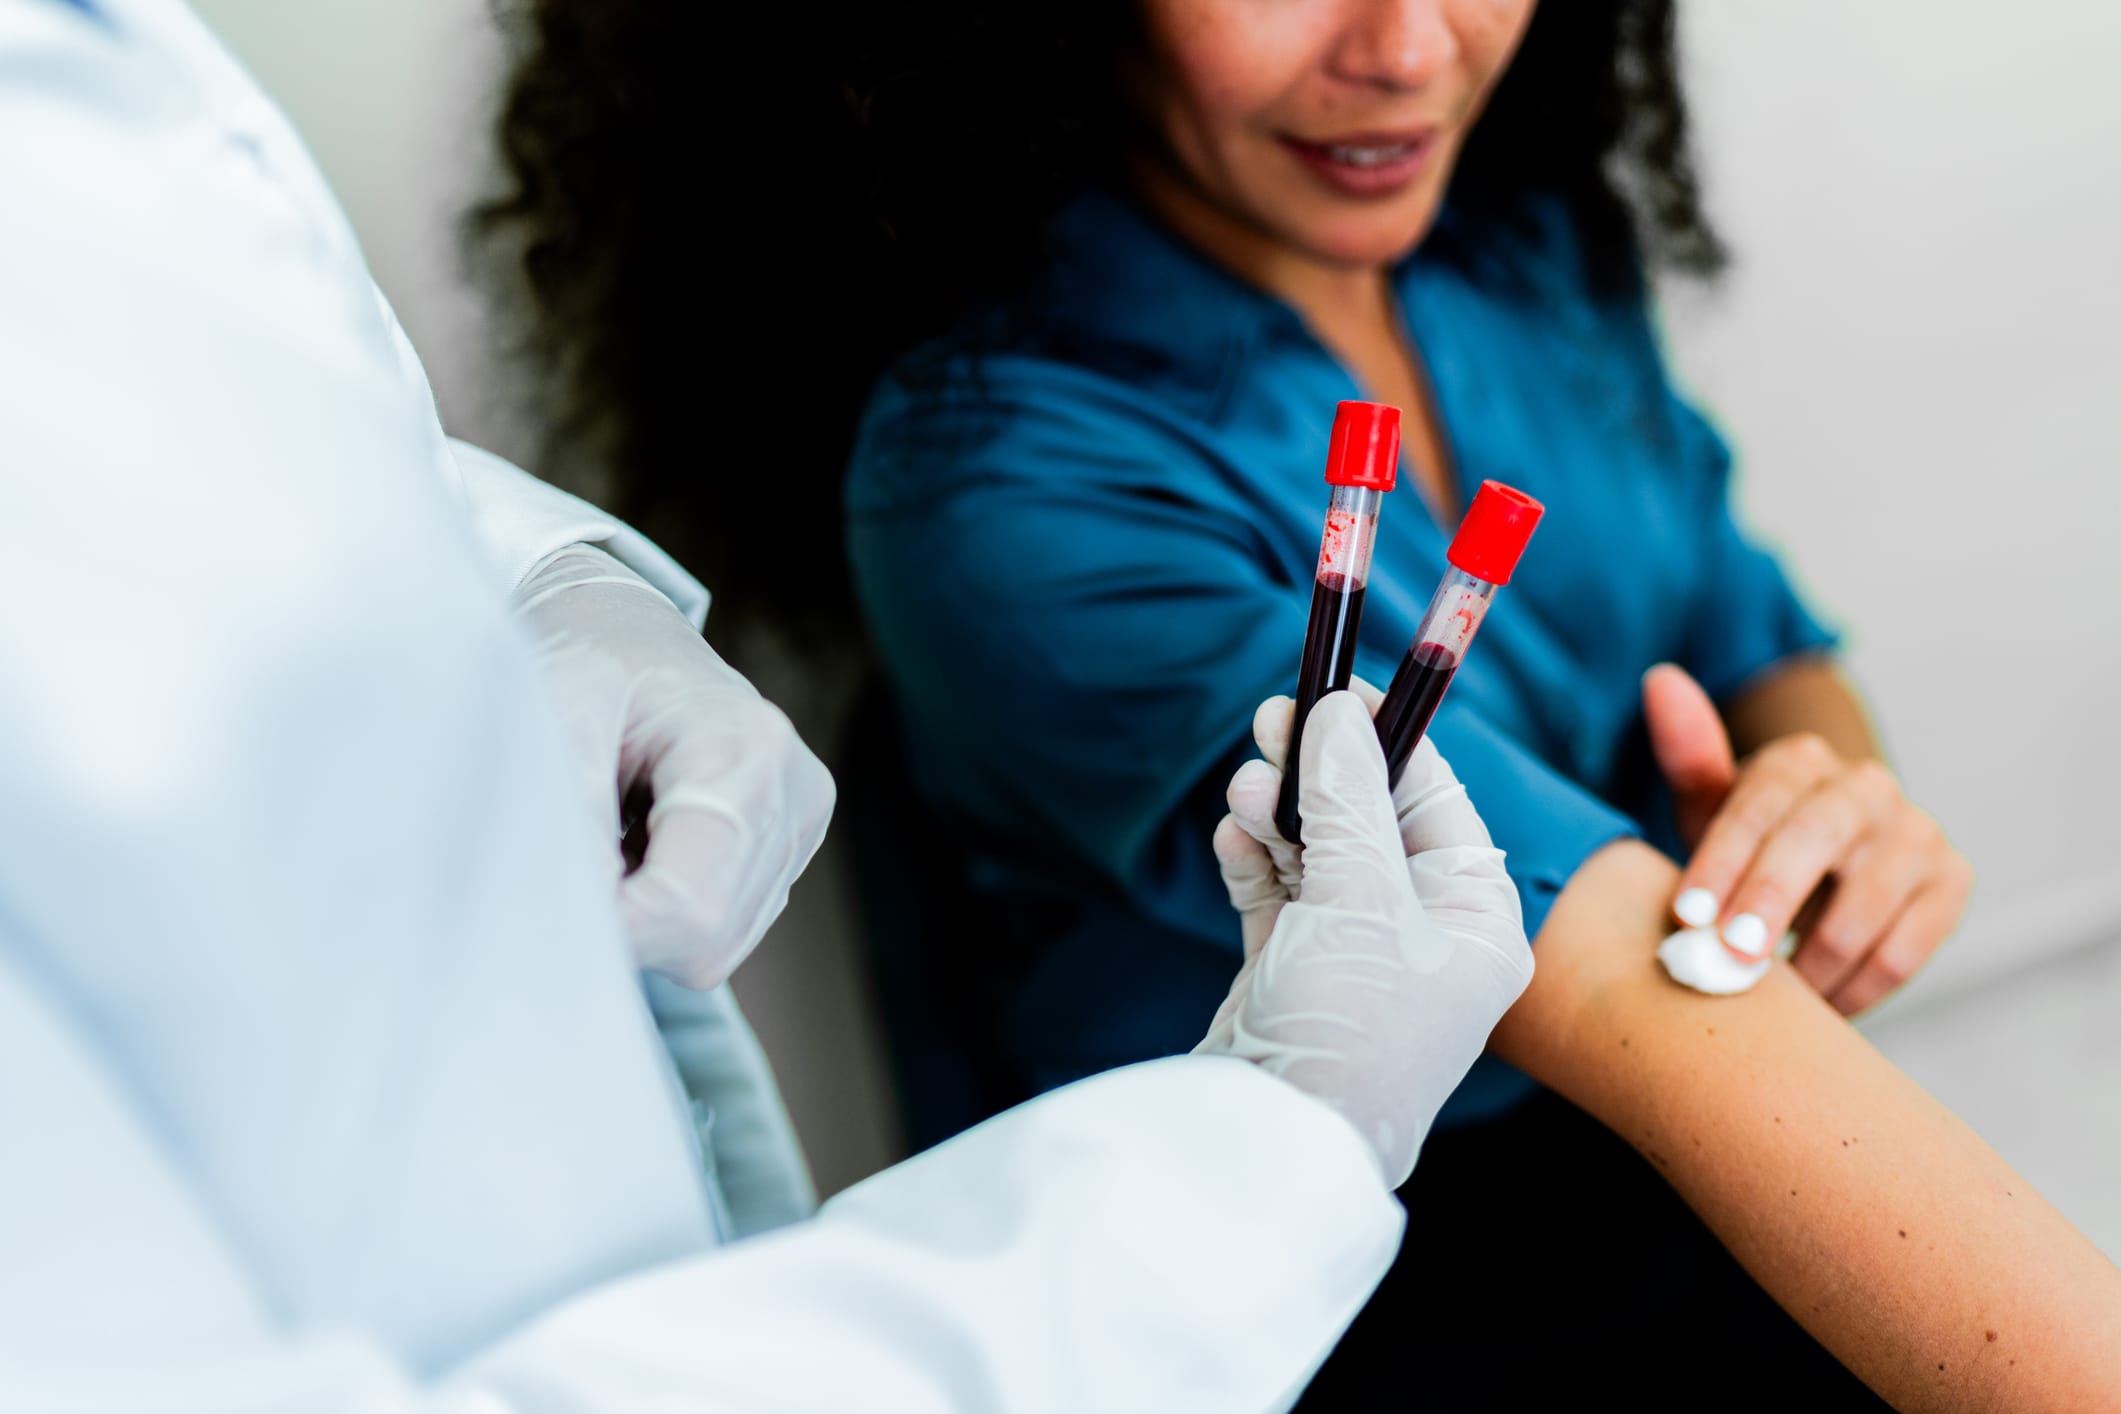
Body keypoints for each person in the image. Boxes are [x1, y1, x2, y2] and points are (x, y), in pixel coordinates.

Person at [475, 0, 2121, 1406]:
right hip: (1337, 1272)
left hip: (1683, 1133)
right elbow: (1643, 1004)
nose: (1406, 51)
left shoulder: (1520, 239)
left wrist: (1827, 791)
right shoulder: (998, 480)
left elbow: (1747, 620)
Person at [0, 1, 1542, 1408]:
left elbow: (228, 424)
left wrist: (536, 576)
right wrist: (1281, 1137)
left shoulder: (1513, 274)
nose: (1405, 46)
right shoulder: (1021, 466)